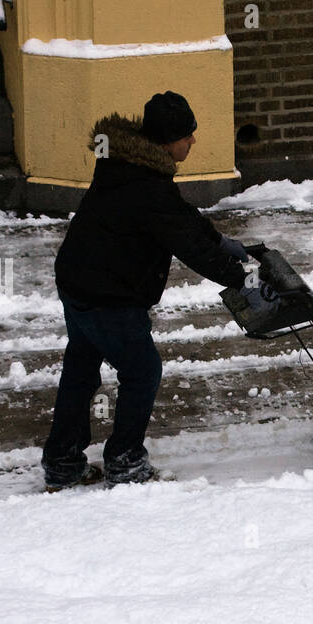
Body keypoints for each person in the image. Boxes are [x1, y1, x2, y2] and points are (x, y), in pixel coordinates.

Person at [42, 91, 264, 490]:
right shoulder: (147, 186)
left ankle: (62, 462)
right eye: (187, 135)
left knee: (80, 368)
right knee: (142, 370)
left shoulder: (130, 166)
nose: (193, 142)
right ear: (168, 140)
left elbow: (182, 219)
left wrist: (224, 243)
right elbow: (189, 245)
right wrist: (244, 278)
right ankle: (125, 461)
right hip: (106, 295)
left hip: (78, 281)